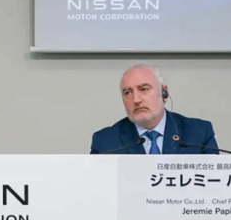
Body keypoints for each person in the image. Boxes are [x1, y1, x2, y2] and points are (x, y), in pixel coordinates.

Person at [90, 64, 219, 154]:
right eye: (127, 92)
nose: (136, 100)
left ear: (164, 92)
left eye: (144, 89)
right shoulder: (105, 142)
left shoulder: (199, 133)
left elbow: (215, 181)